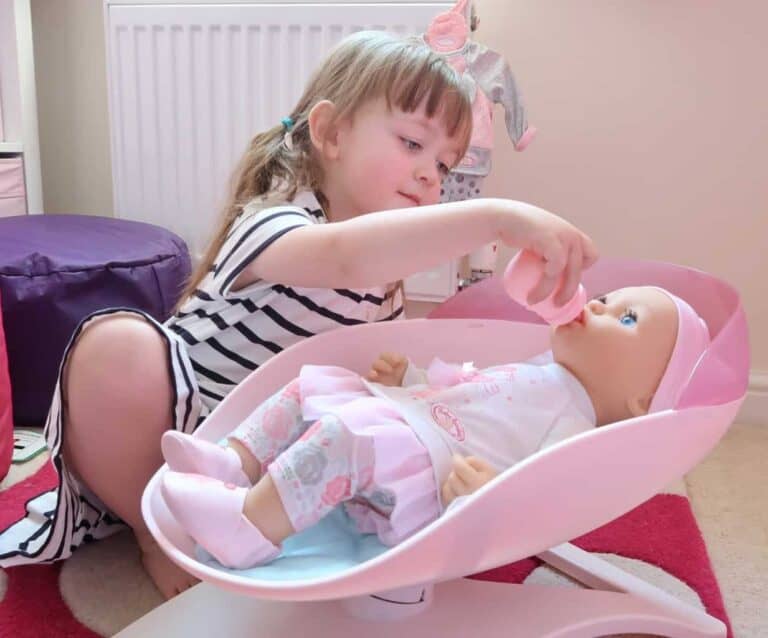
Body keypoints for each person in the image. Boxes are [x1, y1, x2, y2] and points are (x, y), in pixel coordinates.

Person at [0, 30, 596, 598]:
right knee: (115, 344)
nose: (428, 174)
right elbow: (344, 259)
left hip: (261, 467)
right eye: (413, 144)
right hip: (160, 437)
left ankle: (248, 527)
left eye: (444, 165)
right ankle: (159, 533)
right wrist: (496, 218)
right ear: (331, 134)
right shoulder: (276, 222)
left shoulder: (385, 282)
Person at [159, 285, 710, 570]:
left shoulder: (574, 426)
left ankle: (248, 530)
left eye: (627, 319)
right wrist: (412, 379)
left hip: (419, 472)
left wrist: (486, 494)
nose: (599, 305)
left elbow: (538, 499)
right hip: (412, 420)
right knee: (314, 383)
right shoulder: (541, 371)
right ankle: (238, 462)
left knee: (349, 437)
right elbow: (467, 399)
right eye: (611, 300)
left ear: (641, 400)